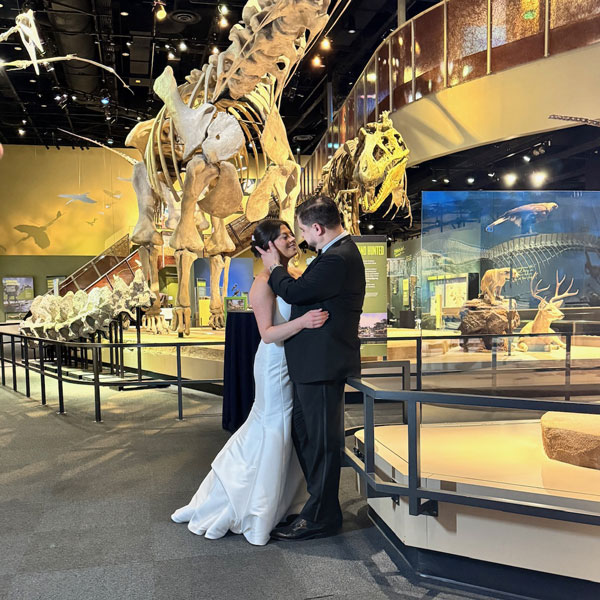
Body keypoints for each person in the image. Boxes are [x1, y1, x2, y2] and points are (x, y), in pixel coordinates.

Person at [171, 219, 328, 546]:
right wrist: (304, 322)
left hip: (292, 362)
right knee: (271, 428)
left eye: (290, 233)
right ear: (267, 246)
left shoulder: (292, 276)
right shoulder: (262, 283)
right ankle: (248, 505)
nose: (291, 239)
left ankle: (282, 501)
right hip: (273, 363)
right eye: (283, 236)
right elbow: (268, 334)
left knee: (283, 433)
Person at [257, 195, 366, 541]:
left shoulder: (338, 258)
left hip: (323, 366)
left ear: (317, 228)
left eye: (302, 230)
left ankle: (321, 517)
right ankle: (317, 508)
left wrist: (275, 266)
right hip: (310, 366)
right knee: (308, 438)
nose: (301, 238)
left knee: (321, 443)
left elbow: (297, 291)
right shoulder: (331, 256)